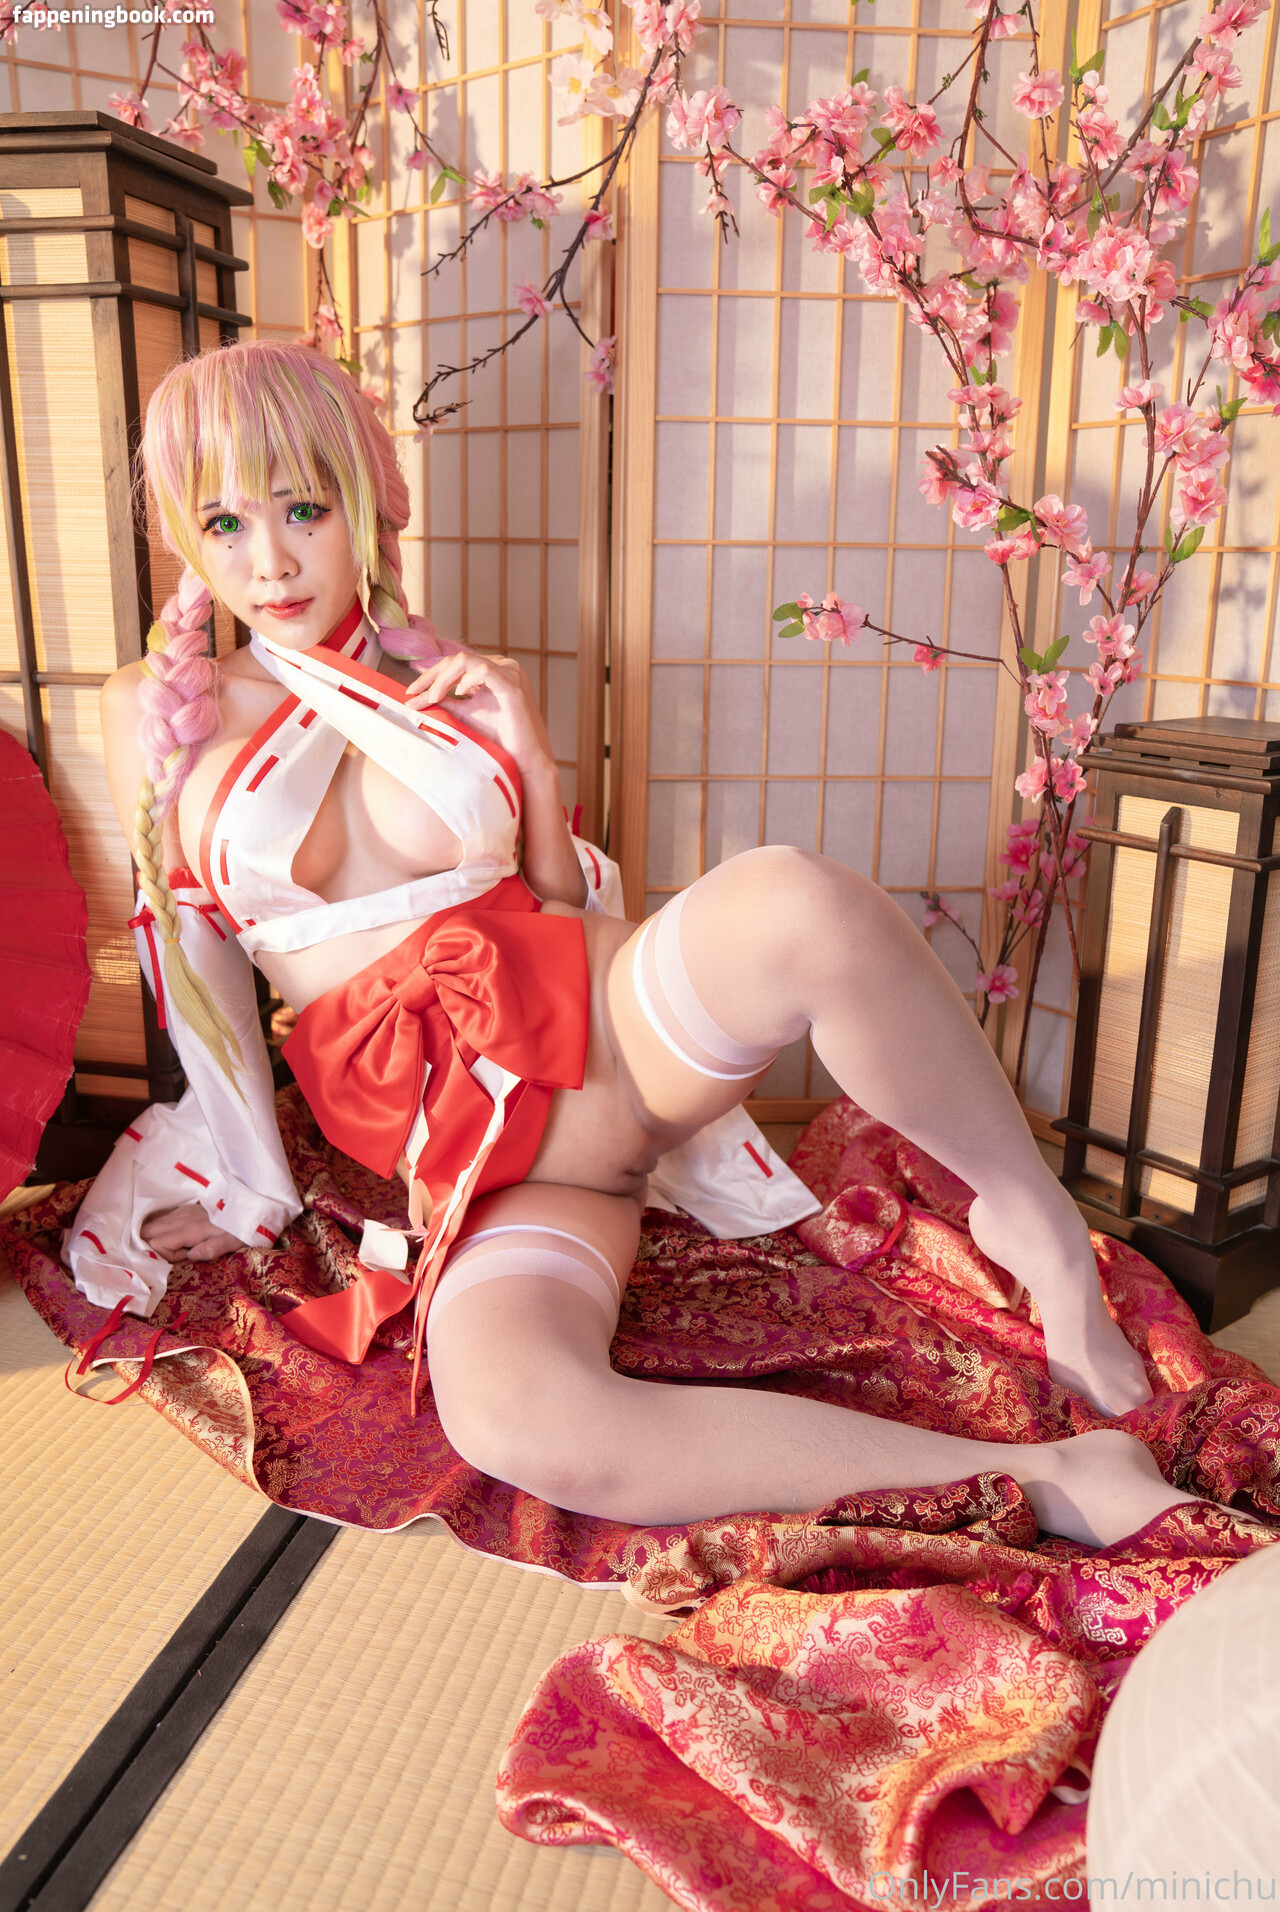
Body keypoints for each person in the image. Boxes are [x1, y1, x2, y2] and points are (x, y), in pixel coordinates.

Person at [69, 340, 1203, 1553]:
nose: (271, 560)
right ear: (185, 536)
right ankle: (1046, 1478)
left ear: (368, 504)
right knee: (518, 1420)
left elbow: (559, 901)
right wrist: (248, 1179)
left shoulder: (444, 685)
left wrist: (527, 751)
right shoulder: (155, 708)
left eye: (304, 508)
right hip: (494, 1164)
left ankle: (1032, 1224)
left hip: (604, 1023)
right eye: (225, 522)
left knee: (797, 898)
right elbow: (192, 965)